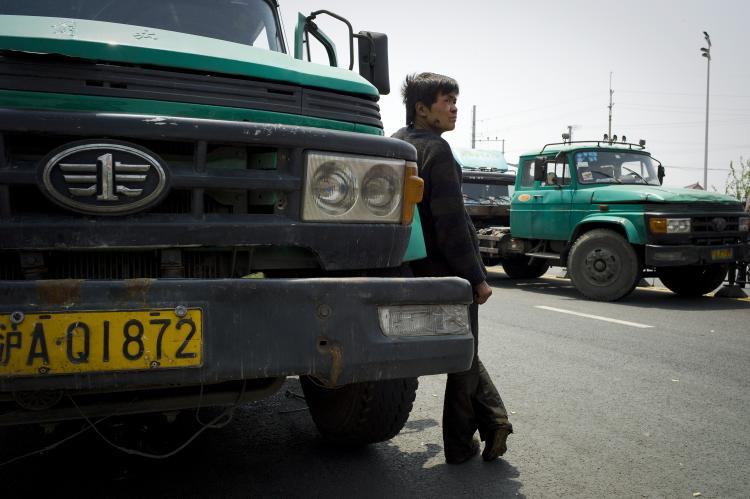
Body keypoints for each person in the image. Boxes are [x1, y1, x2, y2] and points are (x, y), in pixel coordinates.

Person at [393, 72, 513, 464]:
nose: (454, 107)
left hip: (408, 267)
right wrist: (475, 278)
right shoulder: (437, 152)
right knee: (464, 355)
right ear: (422, 109)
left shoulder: (394, 144)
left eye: (455, 100)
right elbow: (451, 225)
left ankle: (494, 424)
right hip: (447, 272)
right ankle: (464, 445)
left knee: (459, 353)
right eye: (446, 101)